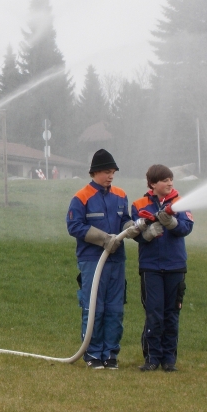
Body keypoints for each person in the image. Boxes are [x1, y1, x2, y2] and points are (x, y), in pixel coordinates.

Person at [66, 149, 140, 370]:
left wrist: (132, 228)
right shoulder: (81, 197)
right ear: (95, 172)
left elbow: (125, 220)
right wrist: (103, 239)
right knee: (94, 307)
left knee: (115, 308)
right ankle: (92, 353)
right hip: (92, 261)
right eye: (107, 172)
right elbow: (74, 226)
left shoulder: (120, 195)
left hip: (117, 260)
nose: (111, 176)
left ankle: (110, 354)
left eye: (113, 173)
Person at [131, 164, 194, 372]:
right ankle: (152, 358)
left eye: (171, 179)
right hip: (151, 268)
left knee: (171, 314)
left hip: (175, 266)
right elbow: (134, 233)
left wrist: (172, 223)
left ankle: (169, 360)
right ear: (152, 184)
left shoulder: (181, 203)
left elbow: (186, 228)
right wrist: (147, 234)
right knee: (154, 313)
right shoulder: (138, 204)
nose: (170, 183)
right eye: (165, 180)